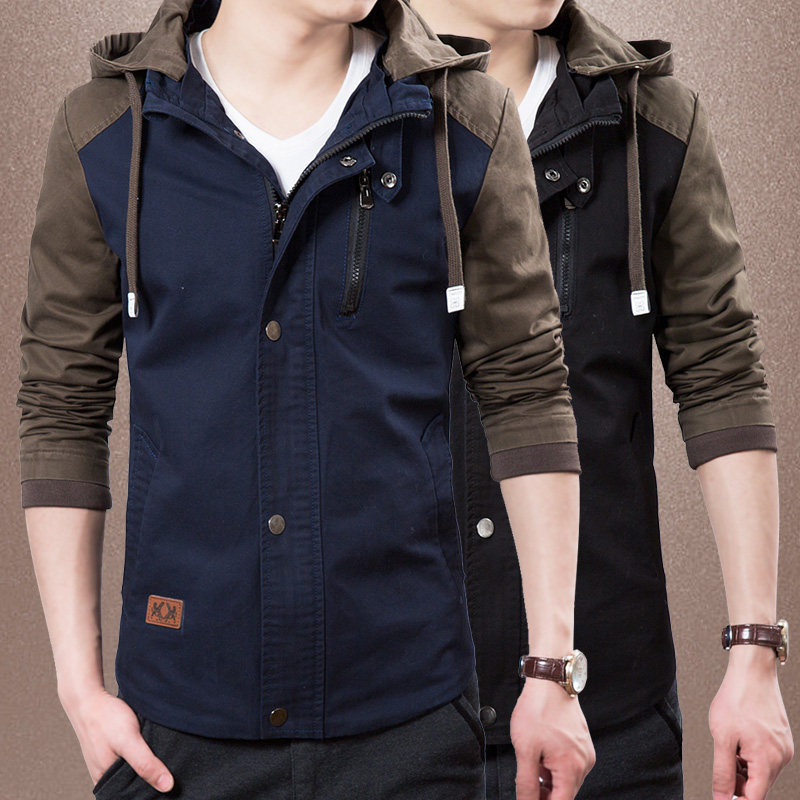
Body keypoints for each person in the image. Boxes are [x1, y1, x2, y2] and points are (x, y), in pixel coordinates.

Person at [16, 0, 596, 798]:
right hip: (175, 733)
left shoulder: (463, 119)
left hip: (411, 726)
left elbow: (527, 388)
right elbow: (62, 404)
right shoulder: (108, 129)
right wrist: (79, 689)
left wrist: (552, 668)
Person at [411, 0, 794, 798]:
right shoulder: (338, 112)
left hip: (607, 714)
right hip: (387, 721)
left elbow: (722, 373)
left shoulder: (650, 121)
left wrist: (754, 651)